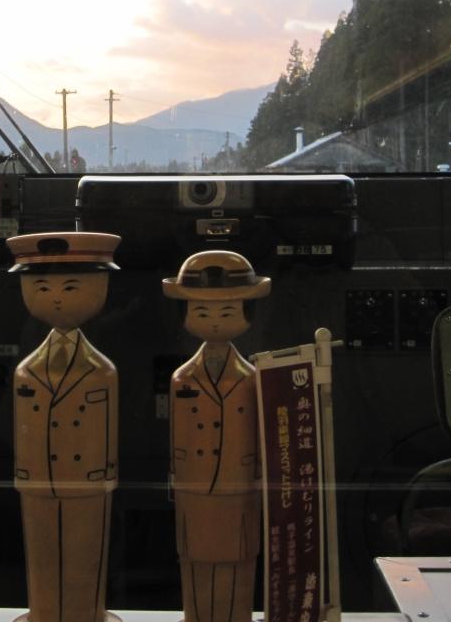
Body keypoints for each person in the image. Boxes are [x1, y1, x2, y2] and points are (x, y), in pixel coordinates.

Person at [8, 231, 121, 622]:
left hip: (88, 482)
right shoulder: (27, 371)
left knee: (85, 554)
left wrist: (106, 476)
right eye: (42, 287)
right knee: (41, 555)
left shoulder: (103, 371)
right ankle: (42, 613)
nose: (56, 297)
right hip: (37, 481)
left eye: (70, 287)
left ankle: (86, 614)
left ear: (100, 287)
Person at [162, 250, 269, 622]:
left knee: (240, 558)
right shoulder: (181, 379)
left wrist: (259, 476)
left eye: (227, 311)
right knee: (193, 557)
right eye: (202, 312)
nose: (215, 320)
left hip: (239, 485)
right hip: (193, 485)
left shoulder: (252, 378)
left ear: (248, 313)